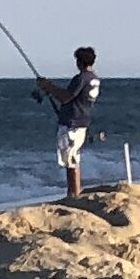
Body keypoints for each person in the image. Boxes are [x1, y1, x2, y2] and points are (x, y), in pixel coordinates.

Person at [38, 47, 100, 198]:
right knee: (73, 158)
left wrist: (48, 86)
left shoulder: (81, 78)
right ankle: (74, 192)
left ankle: (73, 194)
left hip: (72, 124)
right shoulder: (94, 79)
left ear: (79, 62)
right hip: (81, 122)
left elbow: (65, 97)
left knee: (70, 160)